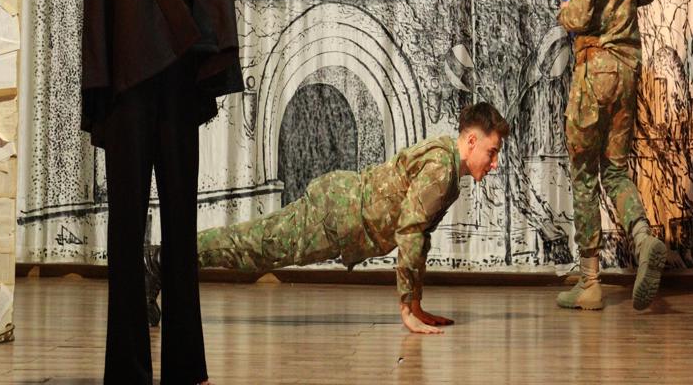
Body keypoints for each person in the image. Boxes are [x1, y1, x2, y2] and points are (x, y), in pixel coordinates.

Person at [82, 0, 242, 384]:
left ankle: (185, 365)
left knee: (180, 226)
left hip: (174, 85)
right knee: (127, 229)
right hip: (129, 87)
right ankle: (127, 370)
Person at [146, 102, 509, 335]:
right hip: (334, 215)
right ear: (471, 141)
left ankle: (159, 262)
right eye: (492, 152)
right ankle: (158, 260)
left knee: (253, 248)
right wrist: (406, 310)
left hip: (338, 214)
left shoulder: (446, 166)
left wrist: (415, 304)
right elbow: (410, 232)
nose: (494, 164)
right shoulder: (442, 170)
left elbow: (419, 237)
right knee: (251, 247)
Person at [553, 0, 666, 312]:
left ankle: (590, 282)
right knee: (616, 170)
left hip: (595, 67)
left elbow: (580, 14)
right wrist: (619, 1)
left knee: (583, 172)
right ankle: (643, 239)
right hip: (628, 69)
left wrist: (564, 10)